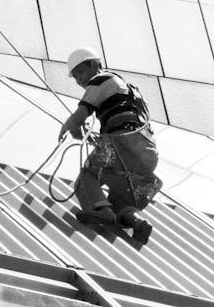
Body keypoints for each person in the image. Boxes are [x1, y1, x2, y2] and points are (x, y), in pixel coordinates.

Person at [59, 48, 161, 244]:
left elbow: (81, 114)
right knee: (118, 200)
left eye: (80, 72)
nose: (79, 80)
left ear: (93, 64)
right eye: (75, 77)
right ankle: (136, 221)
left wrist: (68, 127)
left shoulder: (100, 80)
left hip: (122, 142)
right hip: (148, 151)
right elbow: (124, 116)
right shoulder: (129, 88)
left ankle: (100, 213)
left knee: (87, 177)